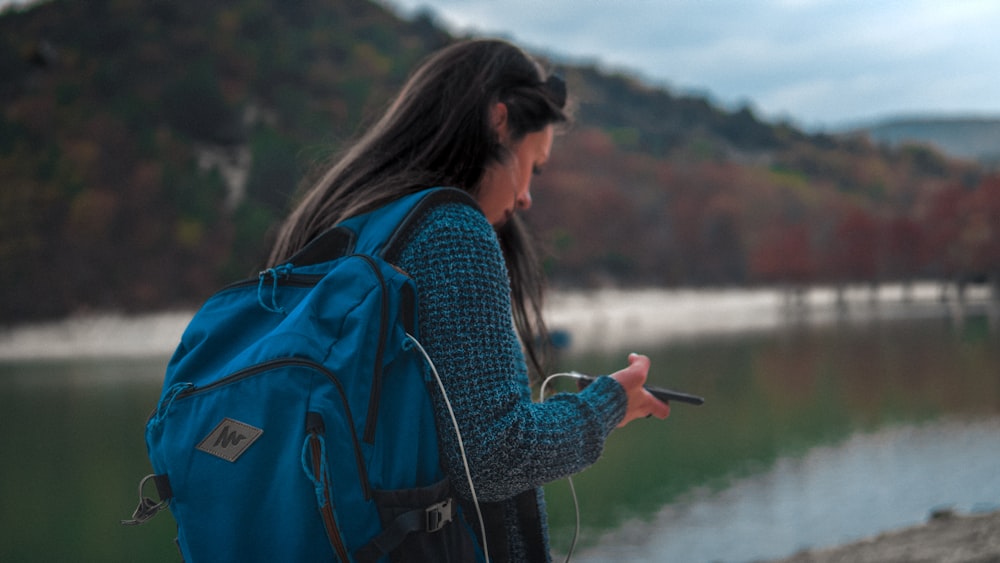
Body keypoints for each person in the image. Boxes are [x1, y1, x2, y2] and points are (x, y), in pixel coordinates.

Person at [266, 38, 671, 562]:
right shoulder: (451, 231)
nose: (527, 196)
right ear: (499, 122)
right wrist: (607, 405)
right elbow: (496, 454)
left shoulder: (334, 228)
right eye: (536, 165)